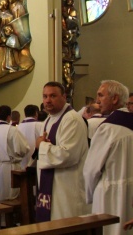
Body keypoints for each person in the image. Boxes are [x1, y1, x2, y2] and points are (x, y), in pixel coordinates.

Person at [34, 81, 89, 222]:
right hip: (52, 186)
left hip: (67, 187)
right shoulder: (48, 119)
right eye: (45, 96)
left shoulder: (72, 120)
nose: (48, 100)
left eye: (53, 96)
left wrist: (42, 146)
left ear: (64, 97)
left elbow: (68, 155)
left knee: (66, 224)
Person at [84, 84, 133, 235]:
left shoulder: (108, 128)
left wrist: (90, 194)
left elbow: (91, 170)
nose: (97, 100)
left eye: (101, 95)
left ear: (115, 98)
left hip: (109, 194)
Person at [0, 105, 29, 202]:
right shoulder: (12, 130)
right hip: (9, 168)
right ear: (9, 117)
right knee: (10, 199)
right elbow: (23, 149)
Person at [18, 104, 44, 169]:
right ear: (36, 113)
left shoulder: (18, 127)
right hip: (37, 161)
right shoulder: (40, 125)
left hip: (21, 162)